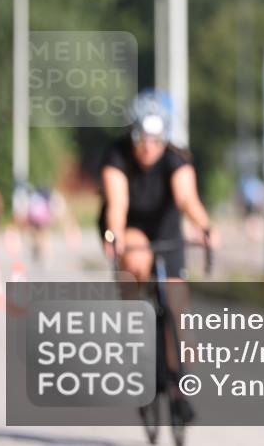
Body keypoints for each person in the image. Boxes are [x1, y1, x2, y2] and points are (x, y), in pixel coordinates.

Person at [98, 89, 214, 425]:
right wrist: (116, 236)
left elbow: (187, 199)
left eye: (156, 140)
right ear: (133, 134)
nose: (149, 148)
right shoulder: (117, 156)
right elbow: (117, 204)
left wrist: (205, 227)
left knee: (177, 305)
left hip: (165, 229)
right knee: (136, 263)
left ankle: (179, 386)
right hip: (129, 226)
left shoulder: (176, 158)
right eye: (142, 139)